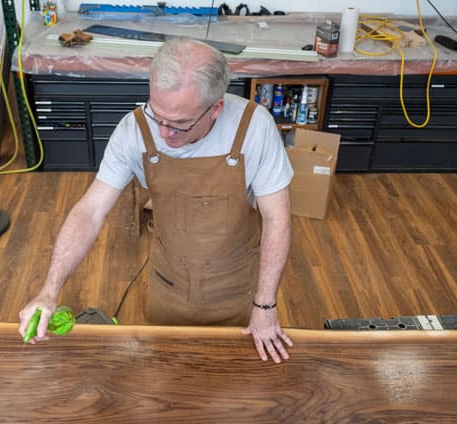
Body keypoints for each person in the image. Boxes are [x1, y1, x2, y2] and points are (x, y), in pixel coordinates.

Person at [19, 38, 294, 363]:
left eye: (180, 123)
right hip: (169, 283)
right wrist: (48, 291)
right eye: (157, 115)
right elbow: (90, 212)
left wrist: (265, 305)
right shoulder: (133, 130)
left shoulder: (254, 127)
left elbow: (278, 219)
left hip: (237, 289)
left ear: (216, 108)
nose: (164, 133)